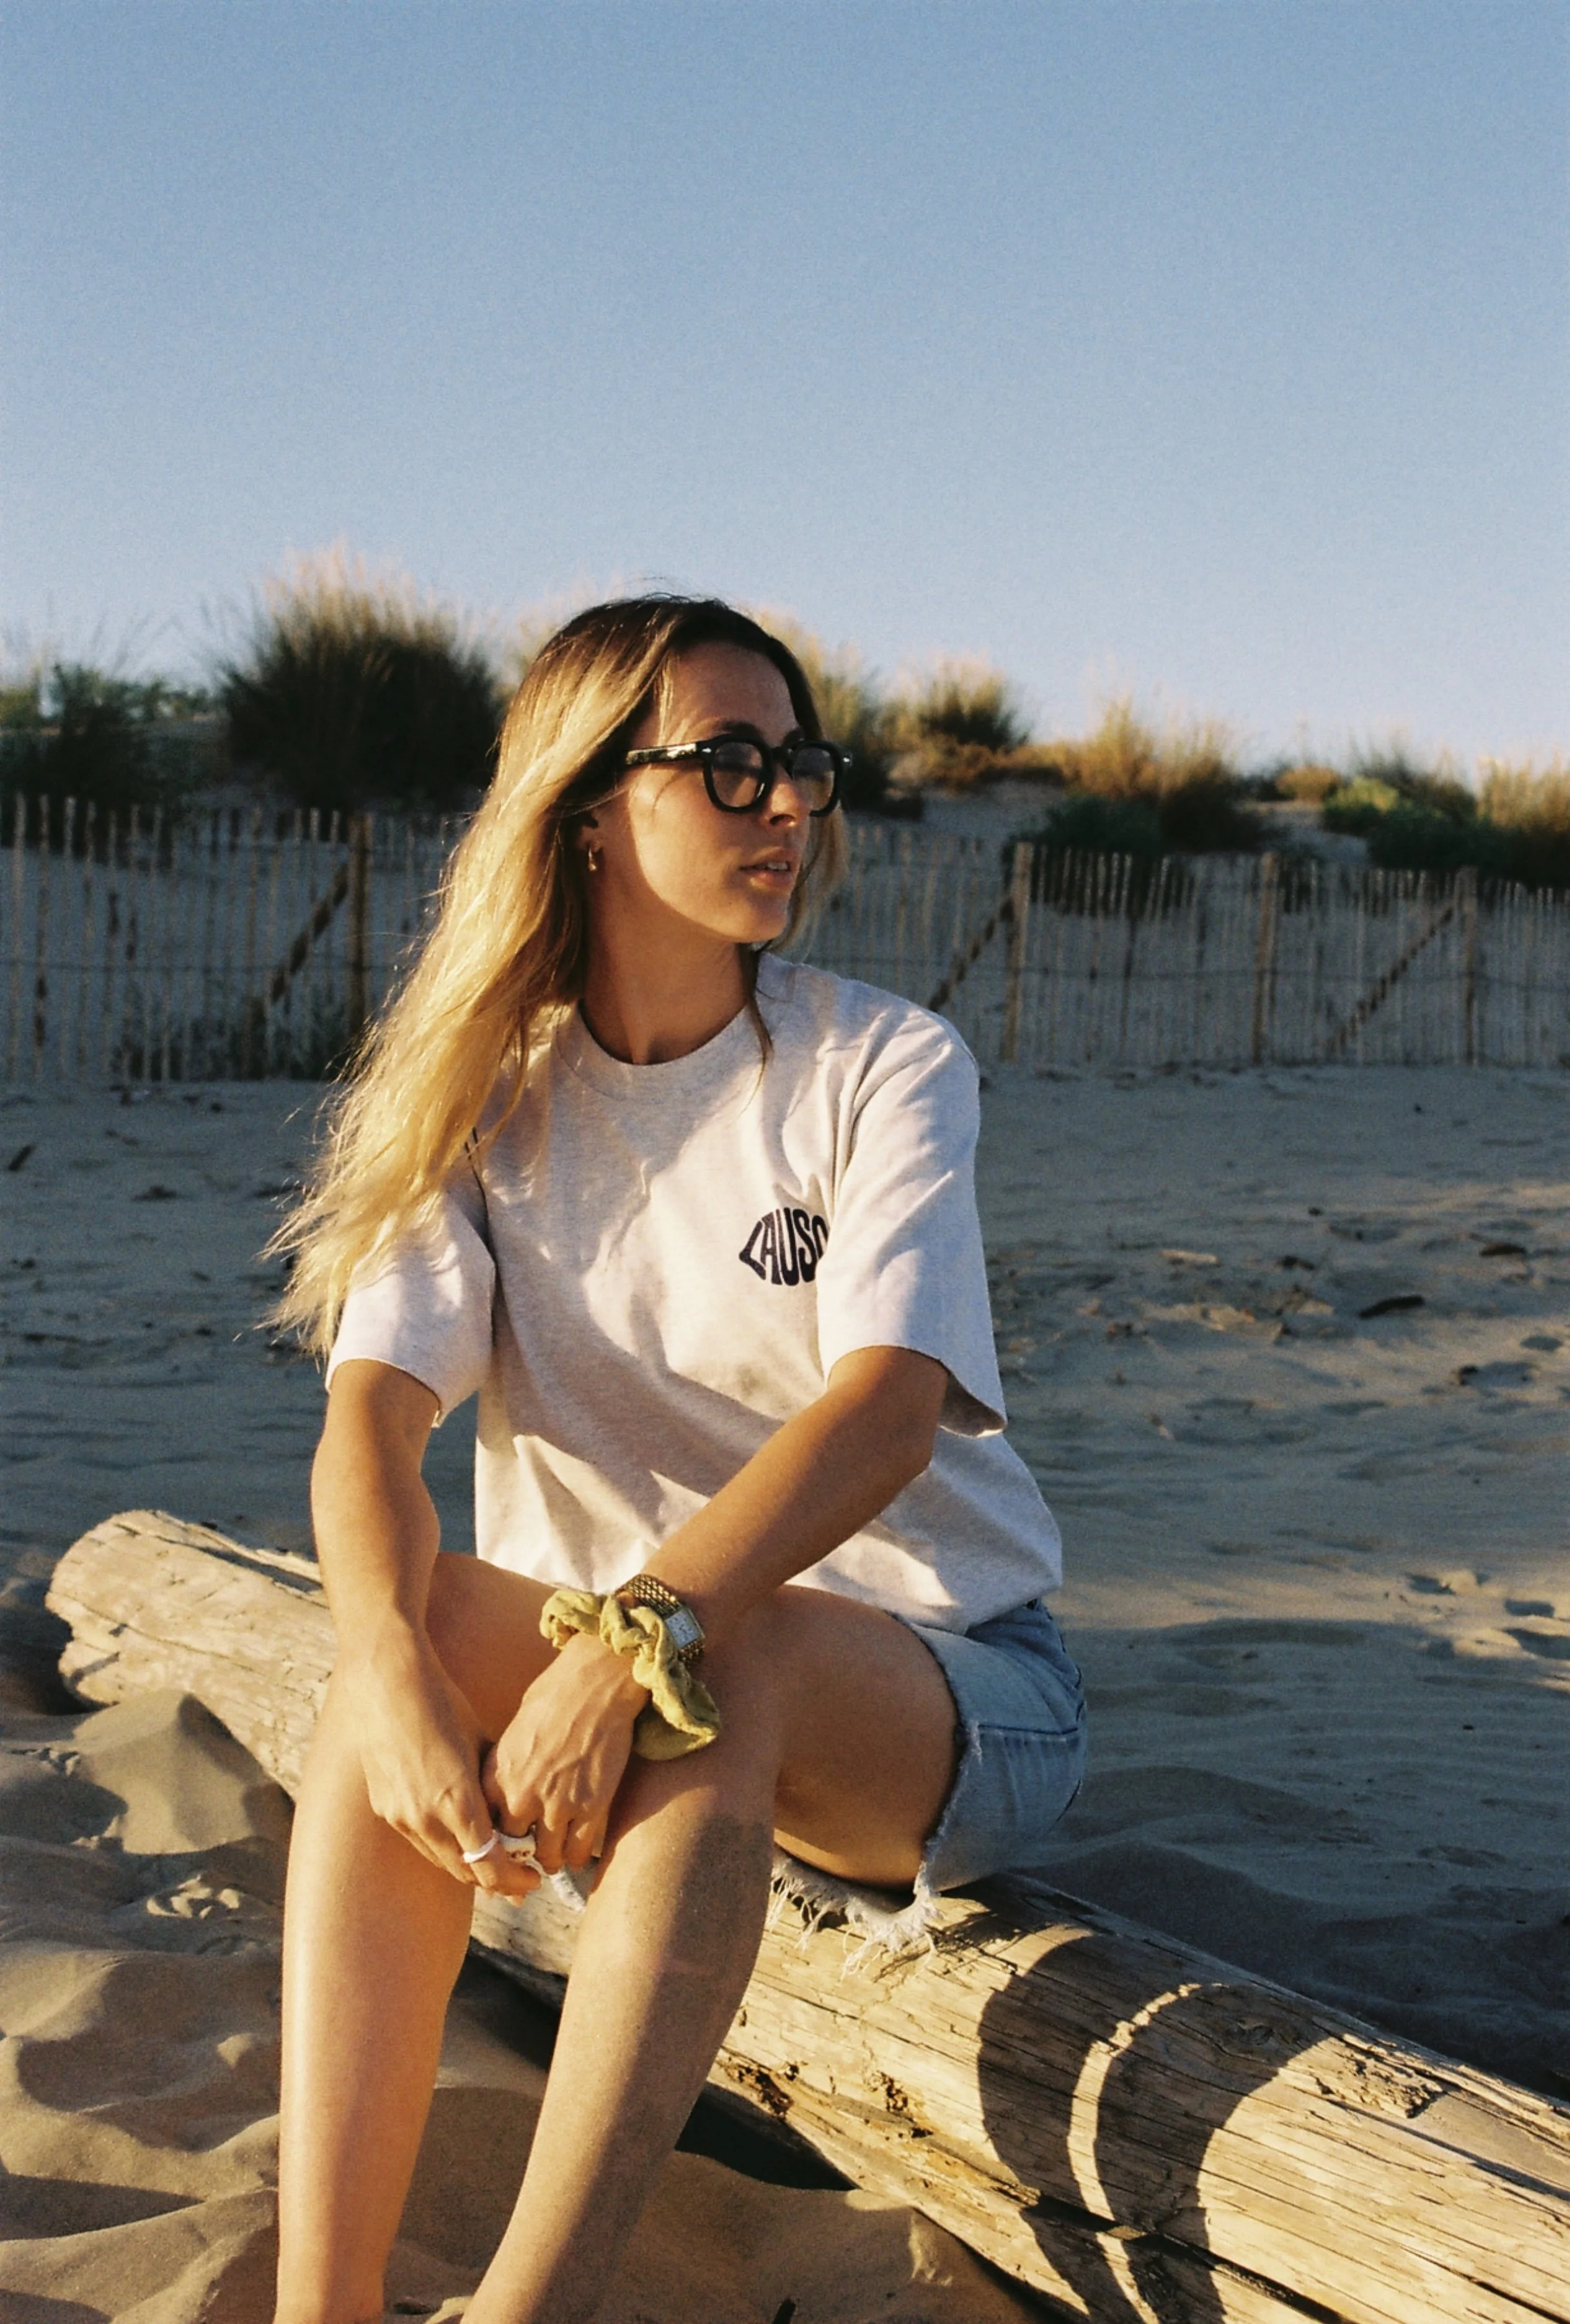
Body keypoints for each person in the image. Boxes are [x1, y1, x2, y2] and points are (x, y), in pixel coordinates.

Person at [269, 596, 1085, 2324]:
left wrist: (636, 1637)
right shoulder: (484, 1101)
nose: (789, 804)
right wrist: (391, 1667)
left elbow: (883, 1409)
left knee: (735, 1648)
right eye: (730, 766)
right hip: (625, 1696)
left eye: (802, 764)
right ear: (587, 805)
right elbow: (369, 1421)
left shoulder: (878, 1064)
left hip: (944, 1697)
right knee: (391, 1655)